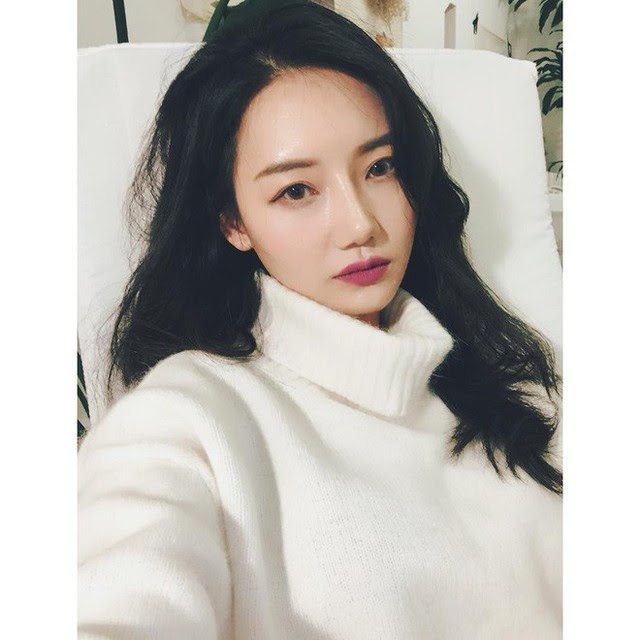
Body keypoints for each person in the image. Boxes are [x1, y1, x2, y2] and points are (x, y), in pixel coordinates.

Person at [78, 2, 562, 638]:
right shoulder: (186, 417)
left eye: (379, 167)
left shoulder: (503, 379)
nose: (361, 224)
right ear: (233, 222)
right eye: (297, 190)